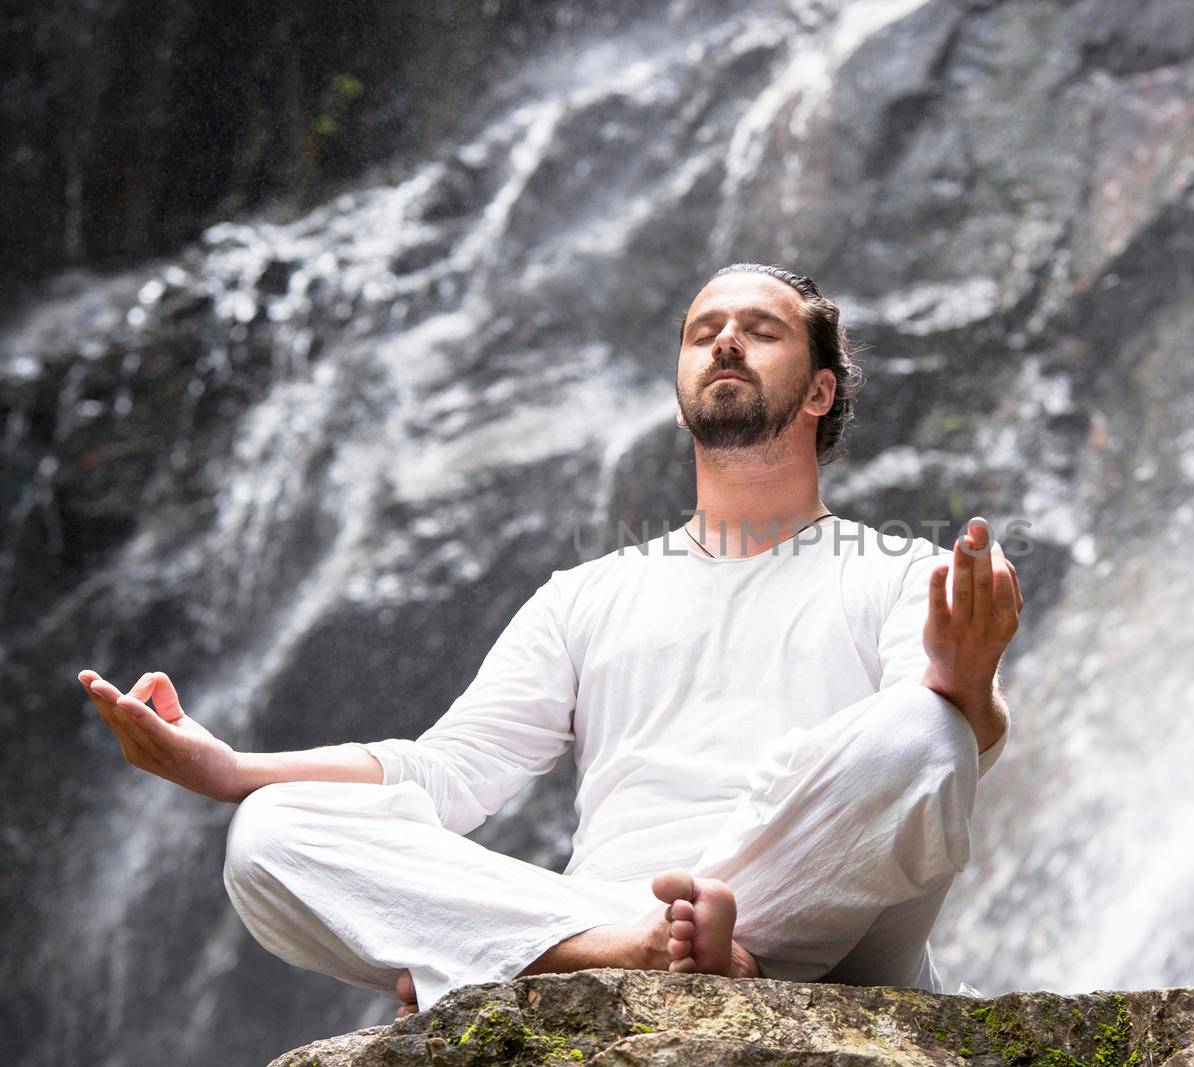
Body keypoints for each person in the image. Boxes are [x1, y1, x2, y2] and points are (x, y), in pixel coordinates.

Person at [77, 263, 1022, 1019]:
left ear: (821, 391)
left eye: (760, 328)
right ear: (682, 381)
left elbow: (947, 748)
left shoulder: (901, 571)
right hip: (616, 908)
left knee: (924, 731)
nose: (725, 339)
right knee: (267, 834)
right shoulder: (585, 595)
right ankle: (620, 952)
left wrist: (966, 679)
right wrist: (232, 768)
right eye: (703, 331)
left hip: (839, 918)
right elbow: (446, 771)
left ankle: (526, 960)